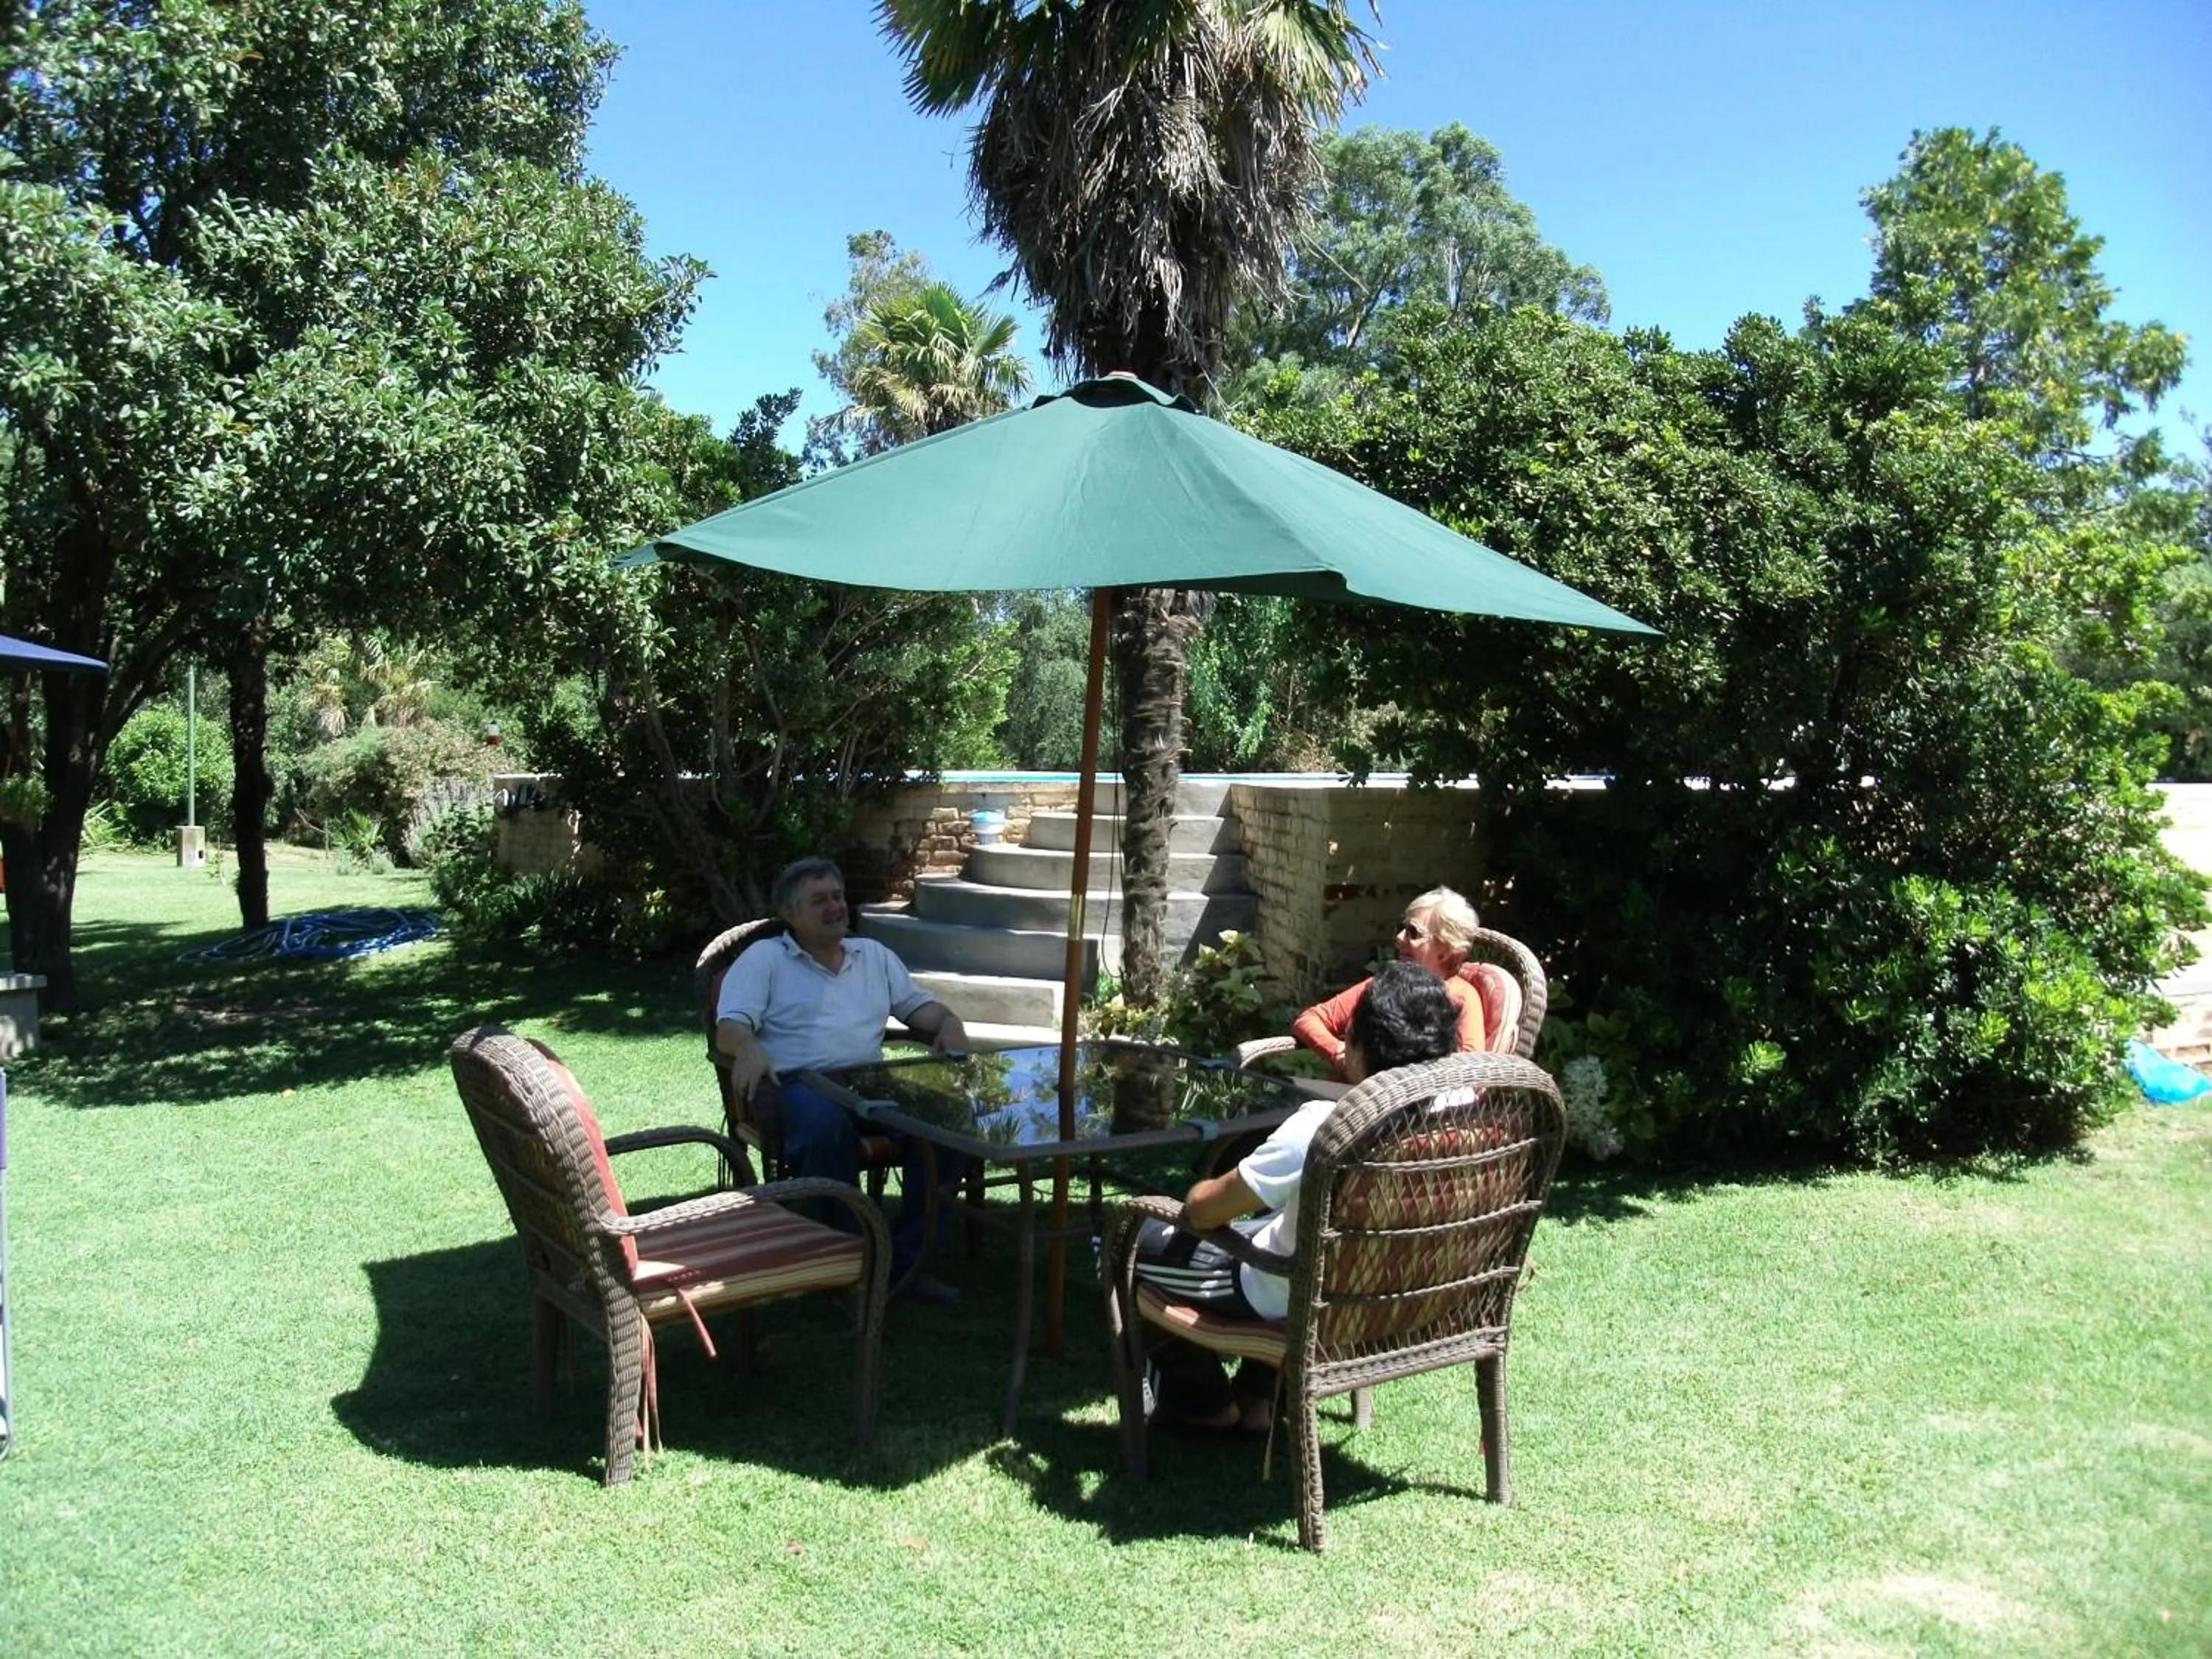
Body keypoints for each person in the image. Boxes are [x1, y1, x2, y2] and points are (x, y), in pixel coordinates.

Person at [1132, 960, 1460, 1432]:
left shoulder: (1325, 1128)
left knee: (1120, 1238)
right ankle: (1258, 1396)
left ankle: (1201, 1402)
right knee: (1274, 1227)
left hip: (1288, 1292)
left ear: (1359, 1047)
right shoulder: (1463, 1112)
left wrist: (1201, 1188)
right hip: (1394, 1294)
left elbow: (1202, 1212)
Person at [714, 857, 970, 1304]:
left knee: (946, 1124)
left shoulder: (873, 955)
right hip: (797, 1084)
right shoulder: (764, 960)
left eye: (838, 896)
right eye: (819, 900)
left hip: (871, 1081)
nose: (835, 907)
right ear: (790, 915)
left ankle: (905, 1264)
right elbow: (730, 1026)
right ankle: (850, 1263)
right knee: (825, 1130)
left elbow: (918, 1008)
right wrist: (748, 1046)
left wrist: (949, 1022)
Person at [1291, 886, 1484, 1078]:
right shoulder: (1384, 986)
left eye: (1413, 933)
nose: (1399, 938)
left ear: (1446, 952)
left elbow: (1470, 1074)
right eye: (1401, 928)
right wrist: (1338, 1052)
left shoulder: (1460, 998)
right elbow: (1309, 1019)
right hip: (1346, 1093)